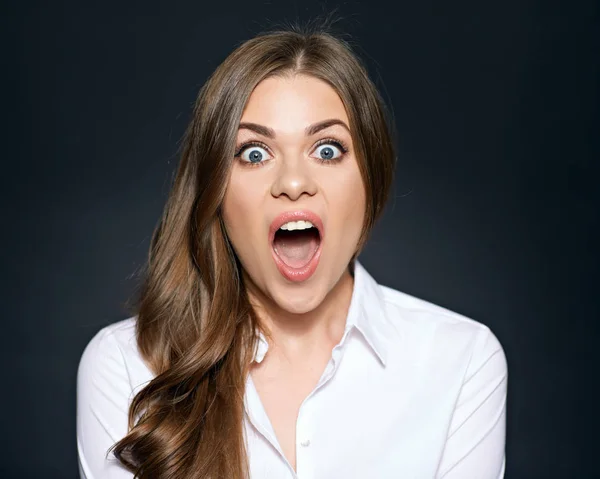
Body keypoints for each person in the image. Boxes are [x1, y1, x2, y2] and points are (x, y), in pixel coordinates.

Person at [77, 22, 507, 479]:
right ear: (215, 193)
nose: (294, 183)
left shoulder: (462, 362)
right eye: (255, 154)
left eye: (326, 149)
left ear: (371, 179)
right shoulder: (126, 367)